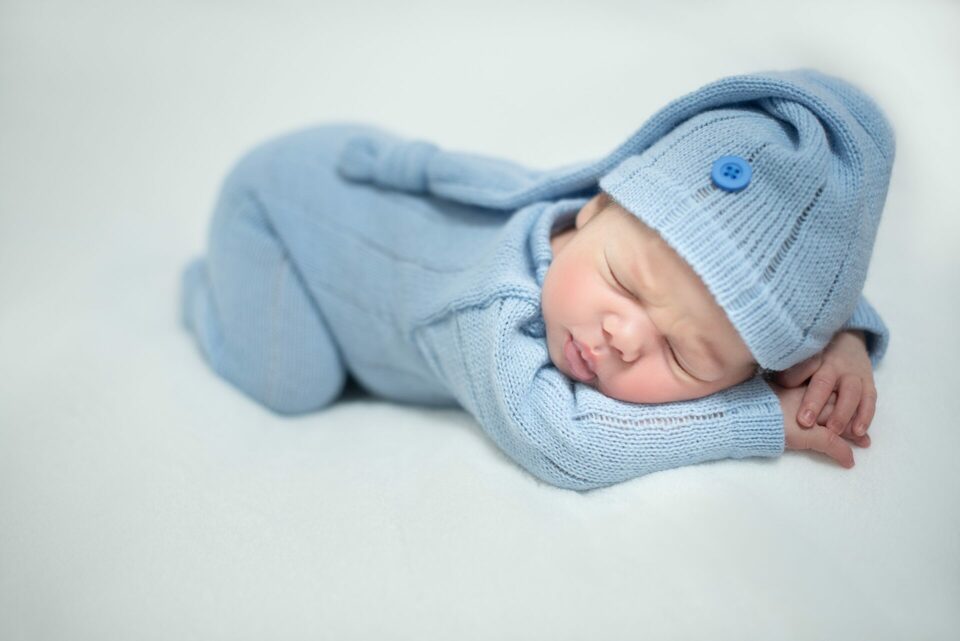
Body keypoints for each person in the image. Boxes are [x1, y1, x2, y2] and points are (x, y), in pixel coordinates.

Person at [180, 68, 894, 490]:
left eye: (683, 356)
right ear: (594, 207)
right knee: (295, 384)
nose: (623, 336)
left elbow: (779, 268)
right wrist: (761, 419)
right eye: (625, 284)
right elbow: (562, 441)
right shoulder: (490, 309)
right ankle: (205, 292)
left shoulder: (626, 232)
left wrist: (841, 340)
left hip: (346, 178)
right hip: (277, 211)